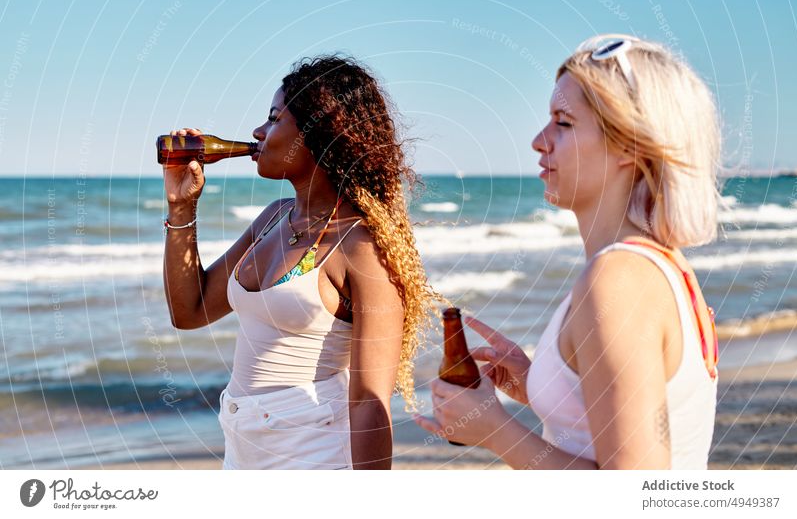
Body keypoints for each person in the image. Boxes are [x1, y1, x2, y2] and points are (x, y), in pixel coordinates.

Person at [415, 34, 721, 470]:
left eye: (564, 122)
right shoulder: (663, 266)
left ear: (630, 144)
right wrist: (542, 382)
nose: (539, 141)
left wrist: (494, 430)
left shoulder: (619, 279)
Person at [163, 55, 437, 469]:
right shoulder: (274, 218)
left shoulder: (361, 246)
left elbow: (368, 403)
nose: (257, 132)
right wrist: (181, 205)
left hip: (314, 457)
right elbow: (190, 311)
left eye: (274, 119)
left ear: (319, 134)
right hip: (242, 452)